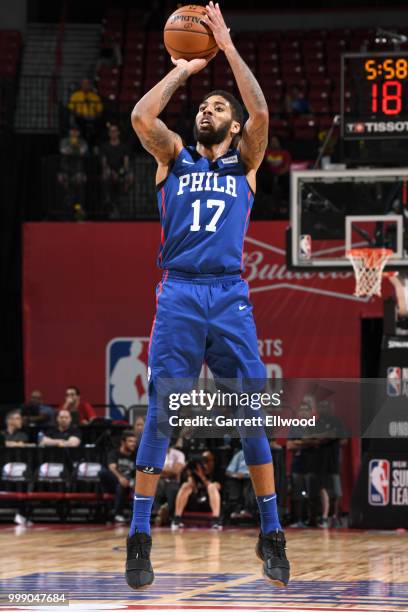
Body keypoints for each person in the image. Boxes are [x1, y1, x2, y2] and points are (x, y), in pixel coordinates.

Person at [125, 2, 290, 590]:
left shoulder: (245, 164)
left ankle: (272, 534)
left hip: (229, 295)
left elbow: (262, 110)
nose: (206, 110)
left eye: (217, 107)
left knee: (251, 415)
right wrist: (185, 70)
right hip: (179, 292)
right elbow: (144, 116)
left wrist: (224, 44)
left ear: (234, 126)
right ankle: (140, 538)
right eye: (203, 106)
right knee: (162, 415)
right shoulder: (173, 157)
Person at [172, 450, 222, 530]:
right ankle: (177, 518)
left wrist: (202, 476)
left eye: (208, 460)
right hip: (195, 500)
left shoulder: (218, 472)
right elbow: (192, 487)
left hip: (210, 502)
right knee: (186, 485)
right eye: (204, 461)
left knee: (212, 487)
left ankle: (216, 520)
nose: (205, 463)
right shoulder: (194, 472)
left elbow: (218, 486)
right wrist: (191, 474)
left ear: (213, 461)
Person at [100, 431, 137, 523]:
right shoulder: (114, 453)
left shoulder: (135, 455)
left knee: (121, 486)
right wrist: (120, 478)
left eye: (134, 442)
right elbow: (112, 468)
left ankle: (118, 514)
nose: (133, 444)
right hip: (115, 480)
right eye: (130, 441)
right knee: (103, 472)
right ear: (123, 442)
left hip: (129, 483)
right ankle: (118, 513)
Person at [100, 124, 134, 217]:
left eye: (115, 131)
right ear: (109, 133)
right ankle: (108, 201)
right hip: (110, 172)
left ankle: (123, 200)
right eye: (111, 131)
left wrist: (121, 172)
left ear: (118, 133)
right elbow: (104, 163)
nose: (113, 133)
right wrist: (111, 172)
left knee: (129, 177)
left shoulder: (124, 147)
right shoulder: (105, 147)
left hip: (121, 172)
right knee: (106, 175)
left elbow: (126, 163)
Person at [153, 445, 185, 525]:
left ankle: (166, 514)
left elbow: (176, 471)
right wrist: (169, 470)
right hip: (158, 480)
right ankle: (159, 513)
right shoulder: (154, 453)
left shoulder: (179, 454)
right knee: (153, 487)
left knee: (172, 489)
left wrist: (161, 470)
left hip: (173, 481)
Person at [67, 78, 103, 144]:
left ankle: (95, 143)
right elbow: (71, 108)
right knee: (80, 124)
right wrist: (78, 114)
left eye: (87, 84)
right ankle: (83, 141)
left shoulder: (95, 96)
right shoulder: (76, 95)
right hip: (80, 117)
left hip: (93, 118)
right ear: (81, 85)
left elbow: (99, 110)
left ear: (90, 85)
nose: (86, 85)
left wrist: (96, 116)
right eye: (84, 84)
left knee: (99, 124)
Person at [225, 448, 256, 520]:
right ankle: (237, 509)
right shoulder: (240, 454)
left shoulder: (260, 454)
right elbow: (228, 471)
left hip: (252, 477)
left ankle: (247, 509)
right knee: (234, 482)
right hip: (238, 478)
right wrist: (235, 475)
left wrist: (246, 474)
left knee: (248, 484)